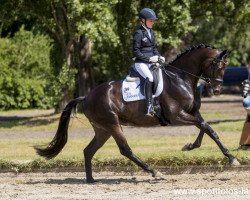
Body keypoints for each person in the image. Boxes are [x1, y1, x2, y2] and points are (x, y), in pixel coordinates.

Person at [132, 8, 165, 116]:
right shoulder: (138, 33)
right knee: (150, 78)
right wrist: (149, 59)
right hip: (141, 63)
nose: (152, 22)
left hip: (151, 62)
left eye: (153, 20)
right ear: (143, 20)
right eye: (150, 20)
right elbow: (136, 52)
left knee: (162, 74)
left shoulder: (151, 32)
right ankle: (149, 106)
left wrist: (160, 56)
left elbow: (153, 48)